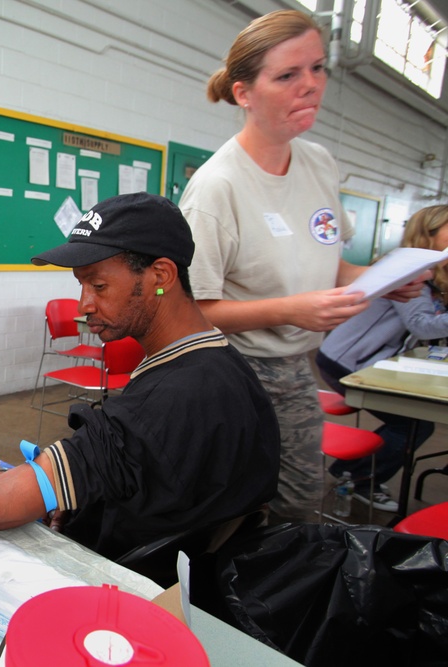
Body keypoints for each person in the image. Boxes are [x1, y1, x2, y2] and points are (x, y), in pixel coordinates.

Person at [0, 193, 281, 560]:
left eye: (99, 284)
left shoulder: (156, 406)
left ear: (160, 275)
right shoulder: (228, 370)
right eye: (81, 284)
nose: (83, 305)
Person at [177, 10, 424, 523]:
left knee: (301, 495)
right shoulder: (217, 187)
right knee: (242, 500)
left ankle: (274, 584)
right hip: (235, 366)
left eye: (317, 68)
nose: (310, 86)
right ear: (244, 93)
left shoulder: (319, 163)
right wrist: (293, 310)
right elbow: (194, 312)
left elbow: (334, 268)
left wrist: (386, 282)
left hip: (296, 363)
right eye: (288, 75)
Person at [316, 205, 448, 511]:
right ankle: (359, 477)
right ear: (429, 232)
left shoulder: (429, 272)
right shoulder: (410, 272)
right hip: (344, 363)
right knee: (415, 424)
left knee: (414, 421)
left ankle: (355, 471)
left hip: (366, 359)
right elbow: (422, 324)